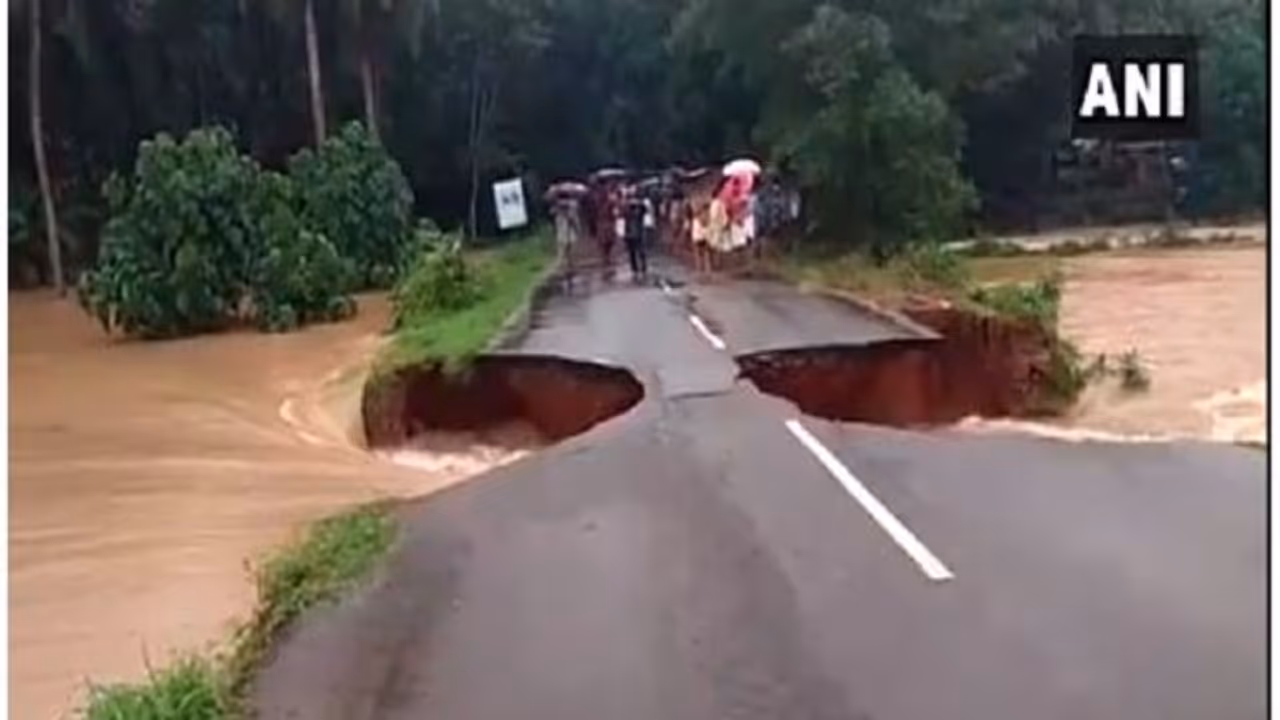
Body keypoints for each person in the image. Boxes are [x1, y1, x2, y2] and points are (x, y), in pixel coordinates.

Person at [622, 189, 648, 280]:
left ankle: (640, 269)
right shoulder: (627, 210)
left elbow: (644, 210)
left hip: (635, 233)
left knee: (638, 252)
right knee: (634, 253)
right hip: (633, 233)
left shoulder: (639, 209)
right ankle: (637, 269)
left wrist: (638, 204)